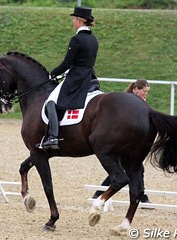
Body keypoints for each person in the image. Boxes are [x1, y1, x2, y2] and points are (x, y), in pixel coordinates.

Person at [40, 6, 99, 150]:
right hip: (89, 77)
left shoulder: (77, 39)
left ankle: (53, 137)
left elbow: (67, 63)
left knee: (51, 100)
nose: (73, 22)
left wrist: (53, 73)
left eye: (74, 19)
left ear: (79, 21)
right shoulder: (93, 39)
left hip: (76, 78)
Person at [92, 79, 152, 204]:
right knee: (131, 168)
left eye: (147, 92)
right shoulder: (127, 102)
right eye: (144, 91)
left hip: (129, 140)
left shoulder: (138, 103)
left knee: (123, 168)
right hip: (121, 140)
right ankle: (142, 196)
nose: (145, 94)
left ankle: (99, 192)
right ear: (136, 90)